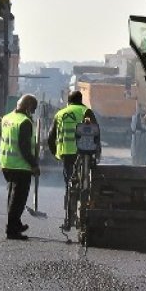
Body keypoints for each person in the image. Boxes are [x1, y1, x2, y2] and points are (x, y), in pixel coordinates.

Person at [47, 91, 98, 225]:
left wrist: (55, 153)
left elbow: (50, 137)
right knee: (86, 184)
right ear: (81, 100)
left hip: (66, 155)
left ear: (68, 102)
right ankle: (85, 214)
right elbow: (96, 132)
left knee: (70, 184)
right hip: (83, 154)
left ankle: (69, 218)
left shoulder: (60, 114)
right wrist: (97, 152)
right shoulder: (86, 111)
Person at [0, 94, 40, 240]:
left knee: (12, 196)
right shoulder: (24, 122)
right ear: (28, 107)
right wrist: (34, 165)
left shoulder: (7, 118)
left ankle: (16, 223)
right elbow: (24, 147)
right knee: (18, 200)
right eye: (33, 109)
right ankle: (12, 230)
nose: (33, 113)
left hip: (6, 163)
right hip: (20, 166)